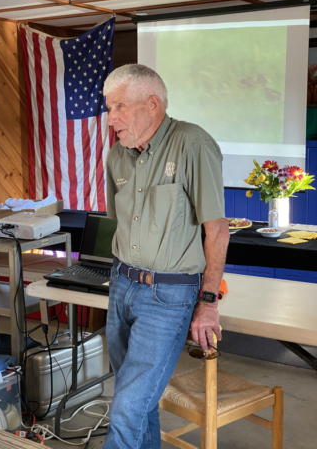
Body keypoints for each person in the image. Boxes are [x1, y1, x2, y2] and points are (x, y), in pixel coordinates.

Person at [103, 64, 229, 449]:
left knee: (126, 405)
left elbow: (217, 230)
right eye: (109, 109)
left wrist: (207, 302)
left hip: (169, 297)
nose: (111, 119)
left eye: (120, 107)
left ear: (152, 104)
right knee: (137, 400)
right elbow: (119, 225)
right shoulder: (117, 157)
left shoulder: (193, 144)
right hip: (122, 286)